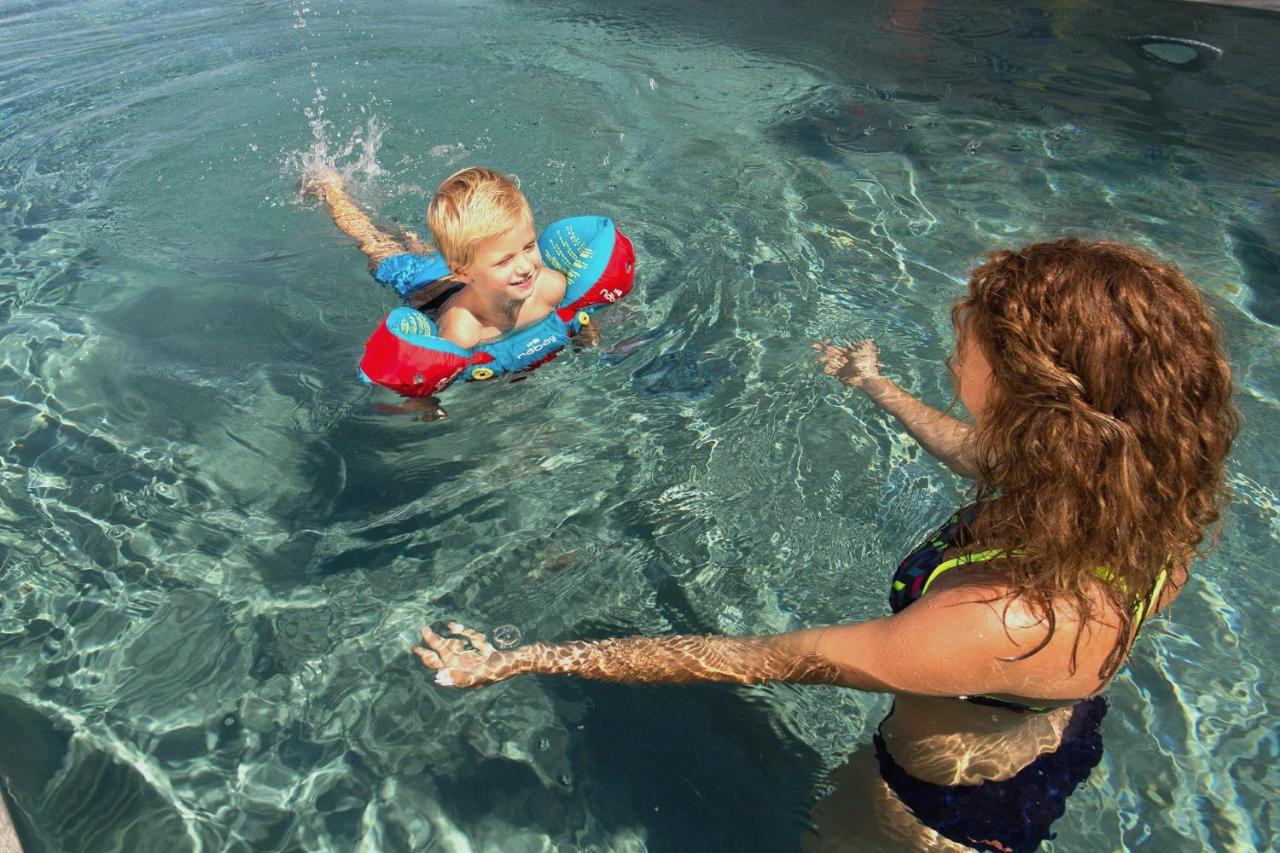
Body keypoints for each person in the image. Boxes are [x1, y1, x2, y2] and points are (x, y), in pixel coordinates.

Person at [411, 239, 1238, 850]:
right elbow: (981, 454)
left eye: (971, 337)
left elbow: (758, 657)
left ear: (1030, 387)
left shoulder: (1002, 620)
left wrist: (527, 659)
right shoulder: (1135, 494)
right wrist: (877, 387)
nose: (955, 344)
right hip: (1045, 731)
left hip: (935, 815)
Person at [307, 165, 619, 416]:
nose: (525, 266)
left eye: (528, 246)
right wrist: (425, 404)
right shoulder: (463, 329)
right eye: (505, 260)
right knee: (376, 244)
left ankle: (413, 236)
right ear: (463, 271)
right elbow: (427, 377)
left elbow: (577, 312)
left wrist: (584, 330)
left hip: (459, 270)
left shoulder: (549, 287)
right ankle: (331, 191)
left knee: (419, 245)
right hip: (428, 288)